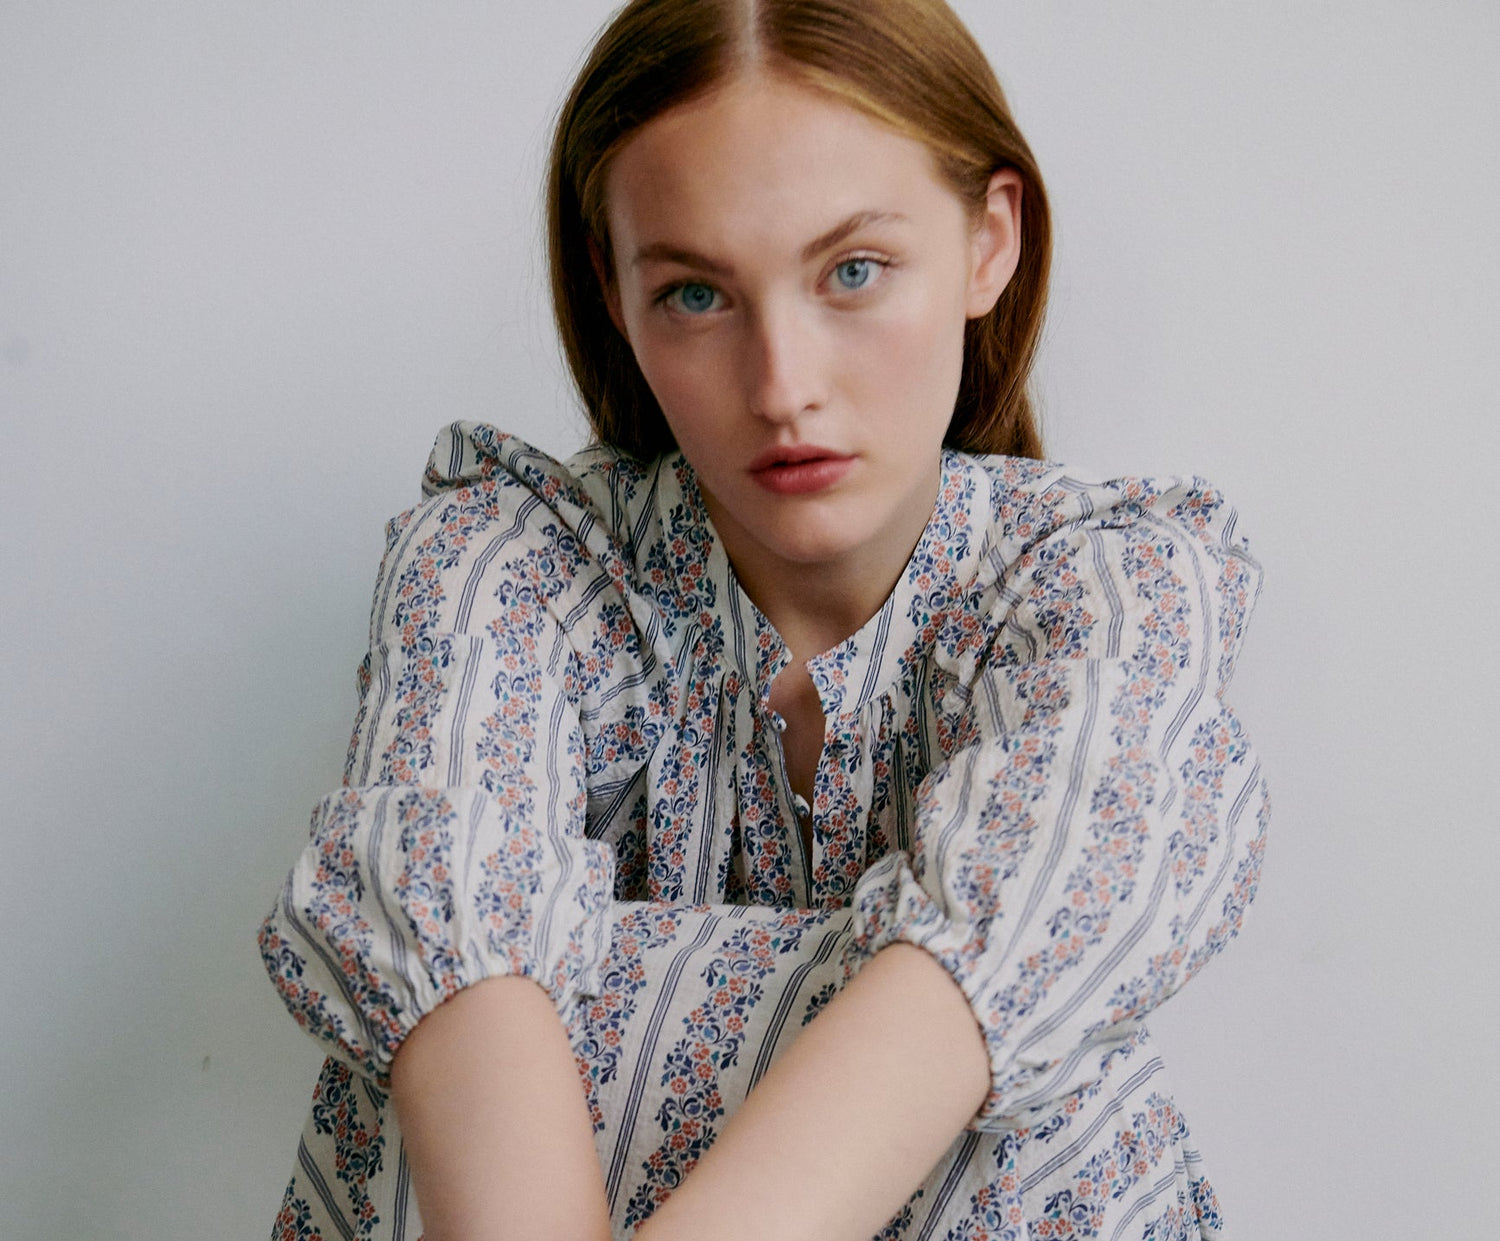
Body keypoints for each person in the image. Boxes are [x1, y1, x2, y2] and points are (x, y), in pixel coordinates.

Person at [258, 1, 1270, 1238]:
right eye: (695, 293)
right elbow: (446, 906)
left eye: (853, 269)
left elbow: (1041, 915)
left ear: (989, 240)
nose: (783, 384)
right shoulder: (510, 554)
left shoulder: (1110, 583)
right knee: (439, 1012)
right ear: (612, 287)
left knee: (1023, 1053)